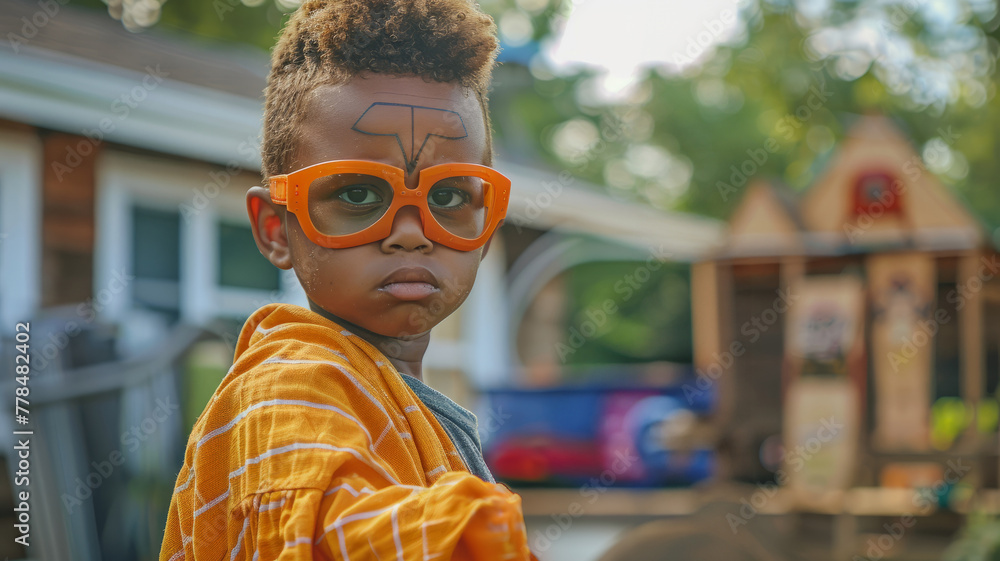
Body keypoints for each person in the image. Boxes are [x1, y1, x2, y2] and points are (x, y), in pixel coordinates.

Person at [159, 1, 535, 559]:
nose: (411, 233)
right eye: (358, 194)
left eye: (450, 196)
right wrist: (477, 531)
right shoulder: (288, 387)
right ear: (276, 228)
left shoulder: (400, 398)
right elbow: (332, 529)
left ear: (485, 224)